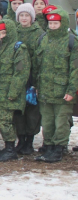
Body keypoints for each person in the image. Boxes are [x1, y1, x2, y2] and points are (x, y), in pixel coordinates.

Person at [33, 9, 78, 162]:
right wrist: (37, 85)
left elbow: (75, 69)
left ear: (62, 23)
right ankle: (49, 146)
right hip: (45, 89)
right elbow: (38, 65)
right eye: (50, 23)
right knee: (47, 121)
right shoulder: (43, 39)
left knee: (61, 121)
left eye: (56, 23)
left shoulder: (71, 41)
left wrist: (72, 90)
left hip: (63, 91)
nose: (52, 26)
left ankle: (59, 148)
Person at [0, 20, 30, 162]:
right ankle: (8, 147)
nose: (1, 36)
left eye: (4, 33)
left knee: (4, 120)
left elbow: (21, 73)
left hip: (10, 93)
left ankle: (10, 149)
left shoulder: (18, 48)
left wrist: (13, 92)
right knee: (3, 120)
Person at [13, 3, 44, 155]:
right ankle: (21, 139)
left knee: (32, 111)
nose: (24, 18)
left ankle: (29, 141)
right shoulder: (14, 32)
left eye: (27, 15)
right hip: (17, 76)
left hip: (33, 76)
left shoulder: (39, 33)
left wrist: (36, 81)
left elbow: (40, 57)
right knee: (18, 110)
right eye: (21, 15)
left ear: (32, 17)